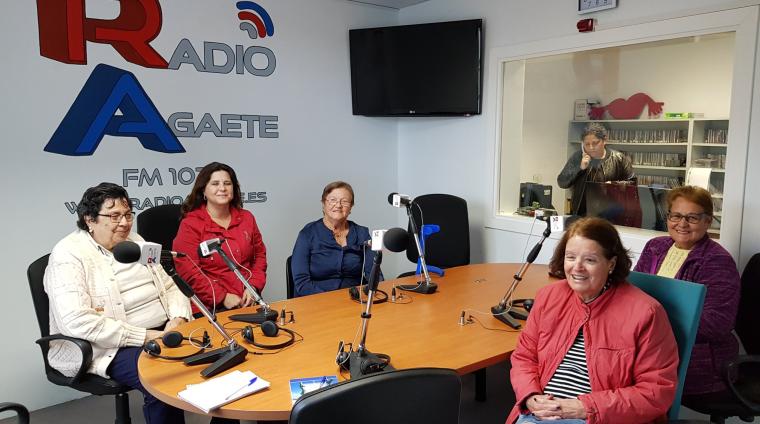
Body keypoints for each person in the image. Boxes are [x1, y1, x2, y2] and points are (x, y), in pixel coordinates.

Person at [44, 183, 191, 423]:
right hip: (110, 347)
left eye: (128, 214)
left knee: (220, 354)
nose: (124, 223)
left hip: (164, 330)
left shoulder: (136, 241)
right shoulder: (67, 255)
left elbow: (170, 284)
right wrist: (147, 336)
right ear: (89, 220)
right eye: (114, 216)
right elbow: (77, 322)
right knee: (163, 377)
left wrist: (178, 318)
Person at [507, 217, 678, 424]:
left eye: (590, 260)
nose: (577, 267)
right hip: (538, 413)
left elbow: (655, 392)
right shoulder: (548, 296)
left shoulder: (646, 313)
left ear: (611, 264)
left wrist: (585, 408)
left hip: (600, 418)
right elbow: (524, 356)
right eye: (570, 257)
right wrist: (531, 397)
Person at [634, 185, 740, 409]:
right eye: (676, 216)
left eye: (692, 217)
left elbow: (717, 324)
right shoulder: (655, 247)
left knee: (631, 388)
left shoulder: (717, 261)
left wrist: (652, 325)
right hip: (651, 349)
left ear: (707, 221)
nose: (682, 224)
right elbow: (633, 295)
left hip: (698, 363)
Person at [173, 162, 267, 315]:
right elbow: (189, 272)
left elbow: (260, 257)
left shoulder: (247, 218)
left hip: (248, 300)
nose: (222, 188)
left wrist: (253, 287)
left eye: (227, 183)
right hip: (209, 307)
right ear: (203, 190)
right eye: (215, 183)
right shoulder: (190, 224)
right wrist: (222, 297)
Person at [291, 181, 376, 297]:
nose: (338, 205)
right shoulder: (307, 234)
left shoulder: (362, 233)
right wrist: (332, 300)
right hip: (315, 299)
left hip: (354, 298)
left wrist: (373, 293)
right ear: (323, 204)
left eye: (345, 201)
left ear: (351, 207)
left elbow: (374, 274)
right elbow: (301, 283)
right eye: (333, 200)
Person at [557, 122, 636, 216]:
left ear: (604, 140)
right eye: (587, 144)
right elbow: (562, 182)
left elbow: (633, 183)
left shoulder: (618, 158)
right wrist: (580, 168)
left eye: (595, 143)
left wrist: (614, 185)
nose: (591, 148)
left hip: (611, 214)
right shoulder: (578, 157)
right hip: (582, 213)